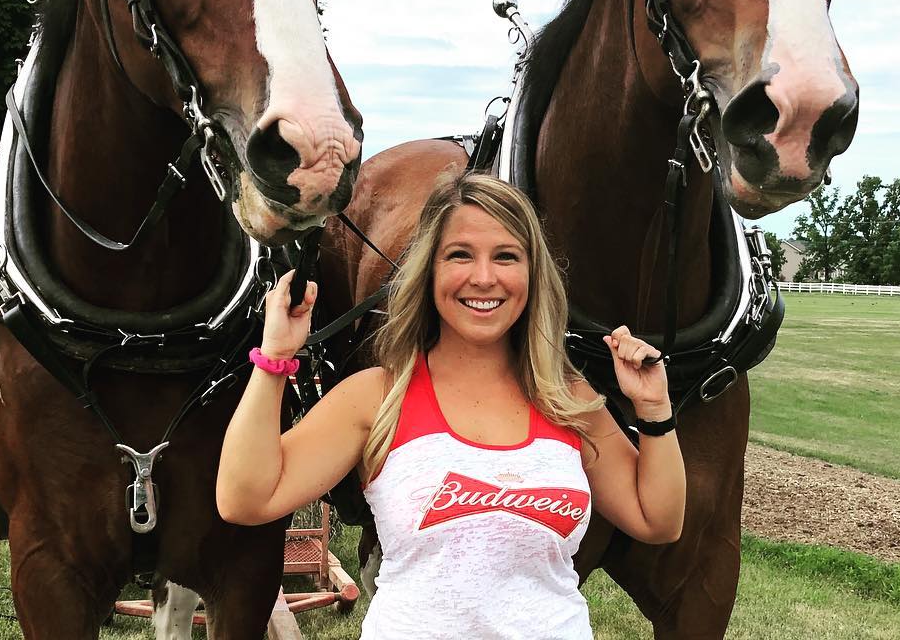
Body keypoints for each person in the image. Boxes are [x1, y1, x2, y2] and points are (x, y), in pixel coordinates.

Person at [217, 171, 685, 639]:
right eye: (460, 255)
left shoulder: (567, 399)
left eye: (506, 256)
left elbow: (656, 520)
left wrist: (654, 408)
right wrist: (274, 357)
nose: (484, 278)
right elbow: (245, 499)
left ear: (531, 274)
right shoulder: (379, 396)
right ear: (430, 270)